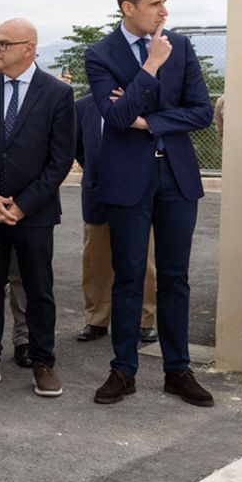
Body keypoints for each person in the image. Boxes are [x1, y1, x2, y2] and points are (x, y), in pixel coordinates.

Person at [84, 0, 217, 408]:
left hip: (176, 177)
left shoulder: (181, 45)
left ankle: (177, 371)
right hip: (127, 180)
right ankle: (123, 371)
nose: (164, 11)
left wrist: (150, 120)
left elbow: (201, 112)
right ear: (129, 8)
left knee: (176, 278)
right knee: (128, 276)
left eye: (166, 2)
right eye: (156, 4)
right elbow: (116, 117)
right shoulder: (100, 54)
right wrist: (150, 68)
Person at [0, 19, 75, 395]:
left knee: (38, 289)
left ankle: (42, 361)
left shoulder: (56, 93)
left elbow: (60, 159)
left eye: (4, 43)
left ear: (30, 48)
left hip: (34, 214)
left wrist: (22, 206)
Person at [73, 82, 159, 346]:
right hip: (97, 193)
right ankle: (97, 319)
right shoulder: (83, 106)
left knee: (142, 259)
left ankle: (144, 320)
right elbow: (78, 148)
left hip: (138, 194)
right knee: (95, 260)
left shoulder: (145, 102)